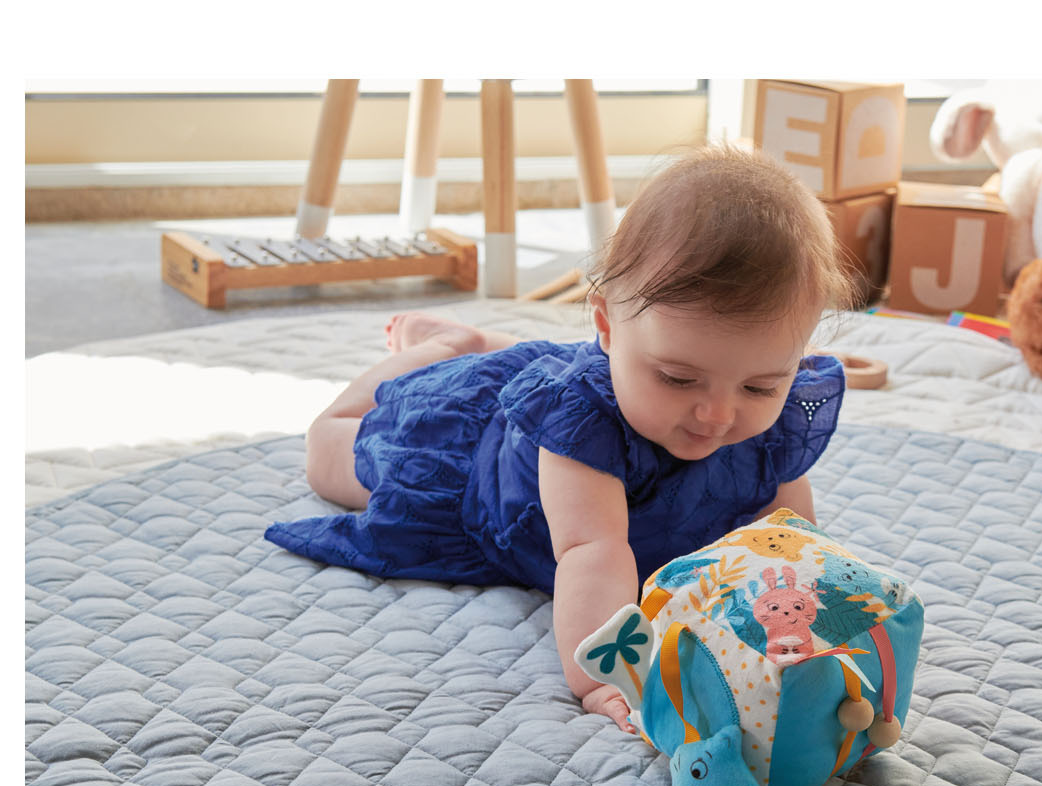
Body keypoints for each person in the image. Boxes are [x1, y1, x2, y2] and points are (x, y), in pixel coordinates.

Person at [266, 144, 860, 732]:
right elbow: (592, 553)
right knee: (327, 452)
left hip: (608, 367)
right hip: (478, 461)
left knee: (613, 369)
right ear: (607, 325)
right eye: (678, 378)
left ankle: (504, 345)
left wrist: (825, 636)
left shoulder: (771, 421)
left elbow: (794, 549)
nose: (718, 414)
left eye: (759, 386)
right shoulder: (579, 422)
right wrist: (605, 678)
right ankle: (444, 346)